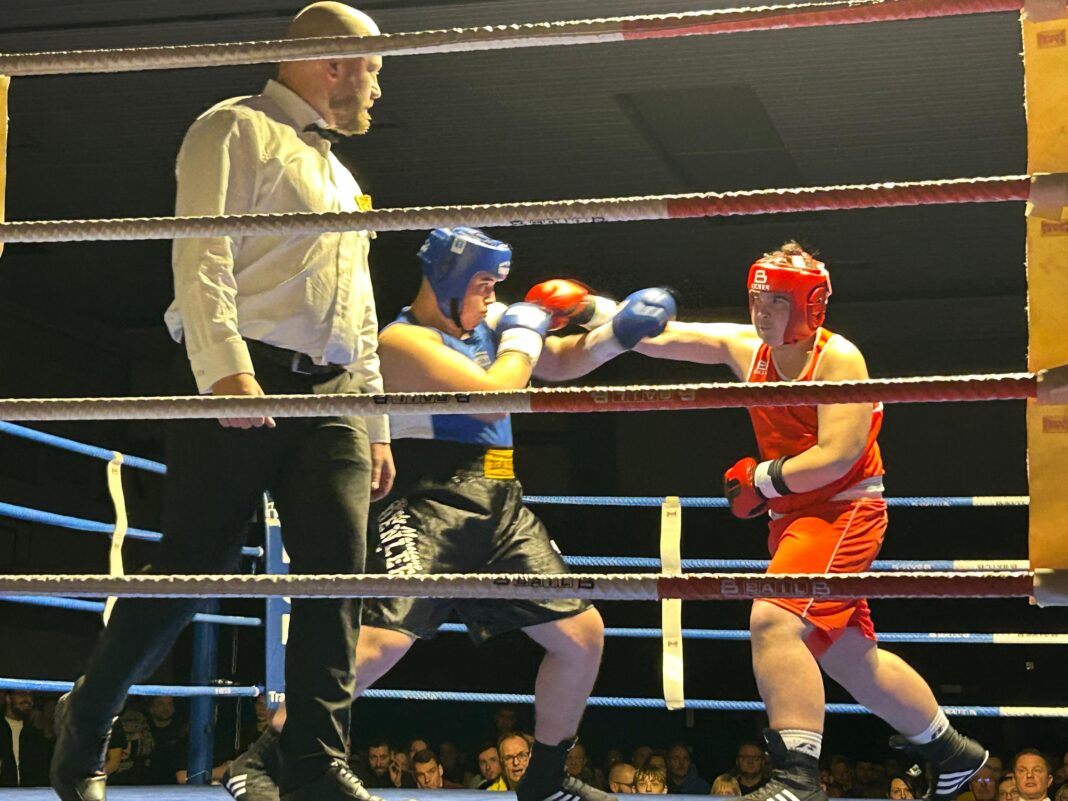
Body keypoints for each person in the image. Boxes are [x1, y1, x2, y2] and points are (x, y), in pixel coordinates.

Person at [48, 4, 392, 801]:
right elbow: (199, 252)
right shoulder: (232, 129)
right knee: (190, 572)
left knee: (337, 581)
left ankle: (311, 756)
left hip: (333, 395)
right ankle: (88, 716)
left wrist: (373, 417)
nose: (379, 81)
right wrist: (226, 372)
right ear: (334, 62)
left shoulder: (343, 175)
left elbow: (360, 308)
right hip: (244, 375)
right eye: (373, 64)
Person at [226, 226, 674, 801]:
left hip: (499, 502)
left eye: (494, 289)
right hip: (426, 500)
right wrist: (521, 335)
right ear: (448, 282)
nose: (491, 299)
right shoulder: (401, 343)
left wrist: (619, 335)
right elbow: (495, 392)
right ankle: (260, 761)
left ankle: (544, 778)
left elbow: (556, 361)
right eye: (483, 286)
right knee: (379, 642)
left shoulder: (488, 324)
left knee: (581, 636)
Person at [634, 241, 988, 801]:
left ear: (808, 306)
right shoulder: (745, 346)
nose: (762, 314)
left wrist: (762, 479)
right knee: (848, 655)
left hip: (845, 512)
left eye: (776, 303)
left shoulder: (838, 358)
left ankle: (796, 781)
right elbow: (663, 335)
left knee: (774, 621)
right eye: (756, 301)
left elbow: (838, 455)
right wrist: (592, 315)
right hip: (793, 519)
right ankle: (952, 752)